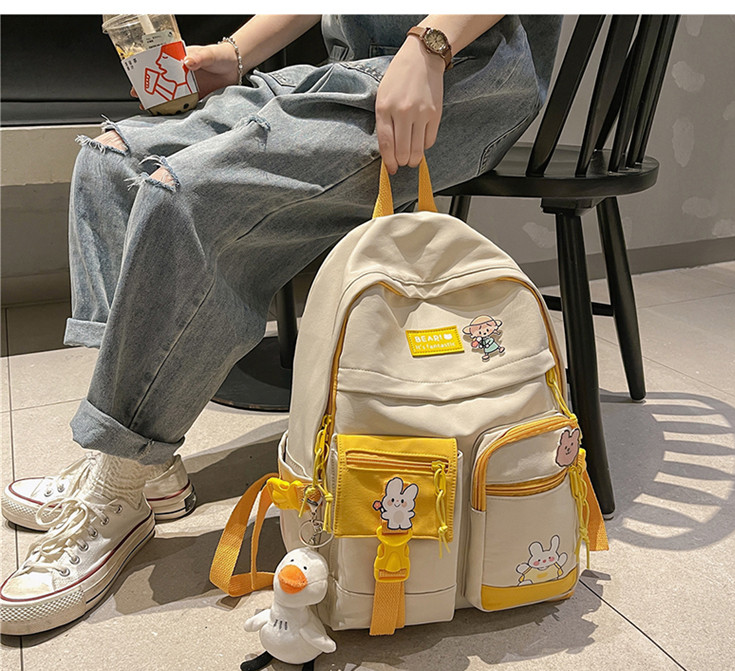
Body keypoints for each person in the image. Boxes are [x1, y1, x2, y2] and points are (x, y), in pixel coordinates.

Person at [0, 14, 562, 636]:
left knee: (186, 195)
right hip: (354, 72)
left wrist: (430, 46)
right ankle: (142, 462)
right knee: (110, 161)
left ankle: (120, 480)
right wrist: (234, 53)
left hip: (466, 72)